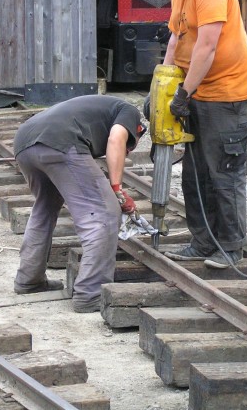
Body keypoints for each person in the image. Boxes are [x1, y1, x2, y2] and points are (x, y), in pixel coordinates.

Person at [145, 0, 247, 269]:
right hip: (196, 91)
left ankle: (230, 247)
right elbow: (176, 39)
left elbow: (206, 48)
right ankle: (202, 241)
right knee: (195, 173)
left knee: (224, 173)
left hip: (227, 95)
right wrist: (163, 86)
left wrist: (183, 93)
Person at [12, 95, 146, 313]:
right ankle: (90, 294)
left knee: (44, 209)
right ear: (138, 130)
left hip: (25, 142)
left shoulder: (98, 108)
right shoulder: (130, 112)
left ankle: (29, 281)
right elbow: (116, 141)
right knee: (104, 213)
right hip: (61, 141)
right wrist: (116, 190)